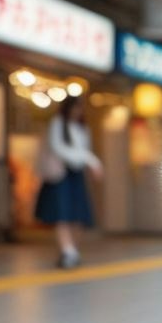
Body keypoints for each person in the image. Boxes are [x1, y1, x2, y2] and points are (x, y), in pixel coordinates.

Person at [34, 95, 102, 269]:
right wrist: (84, 160)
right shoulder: (57, 124)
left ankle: (72, 251)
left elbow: (84, 150)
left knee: (78, 215)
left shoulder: (82, 128)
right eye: (75, 108)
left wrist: (91, 162)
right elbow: (59, 148)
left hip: (76, 174)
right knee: (61, 214)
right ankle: (67, 250)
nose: (77, 111)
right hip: (60, 174)